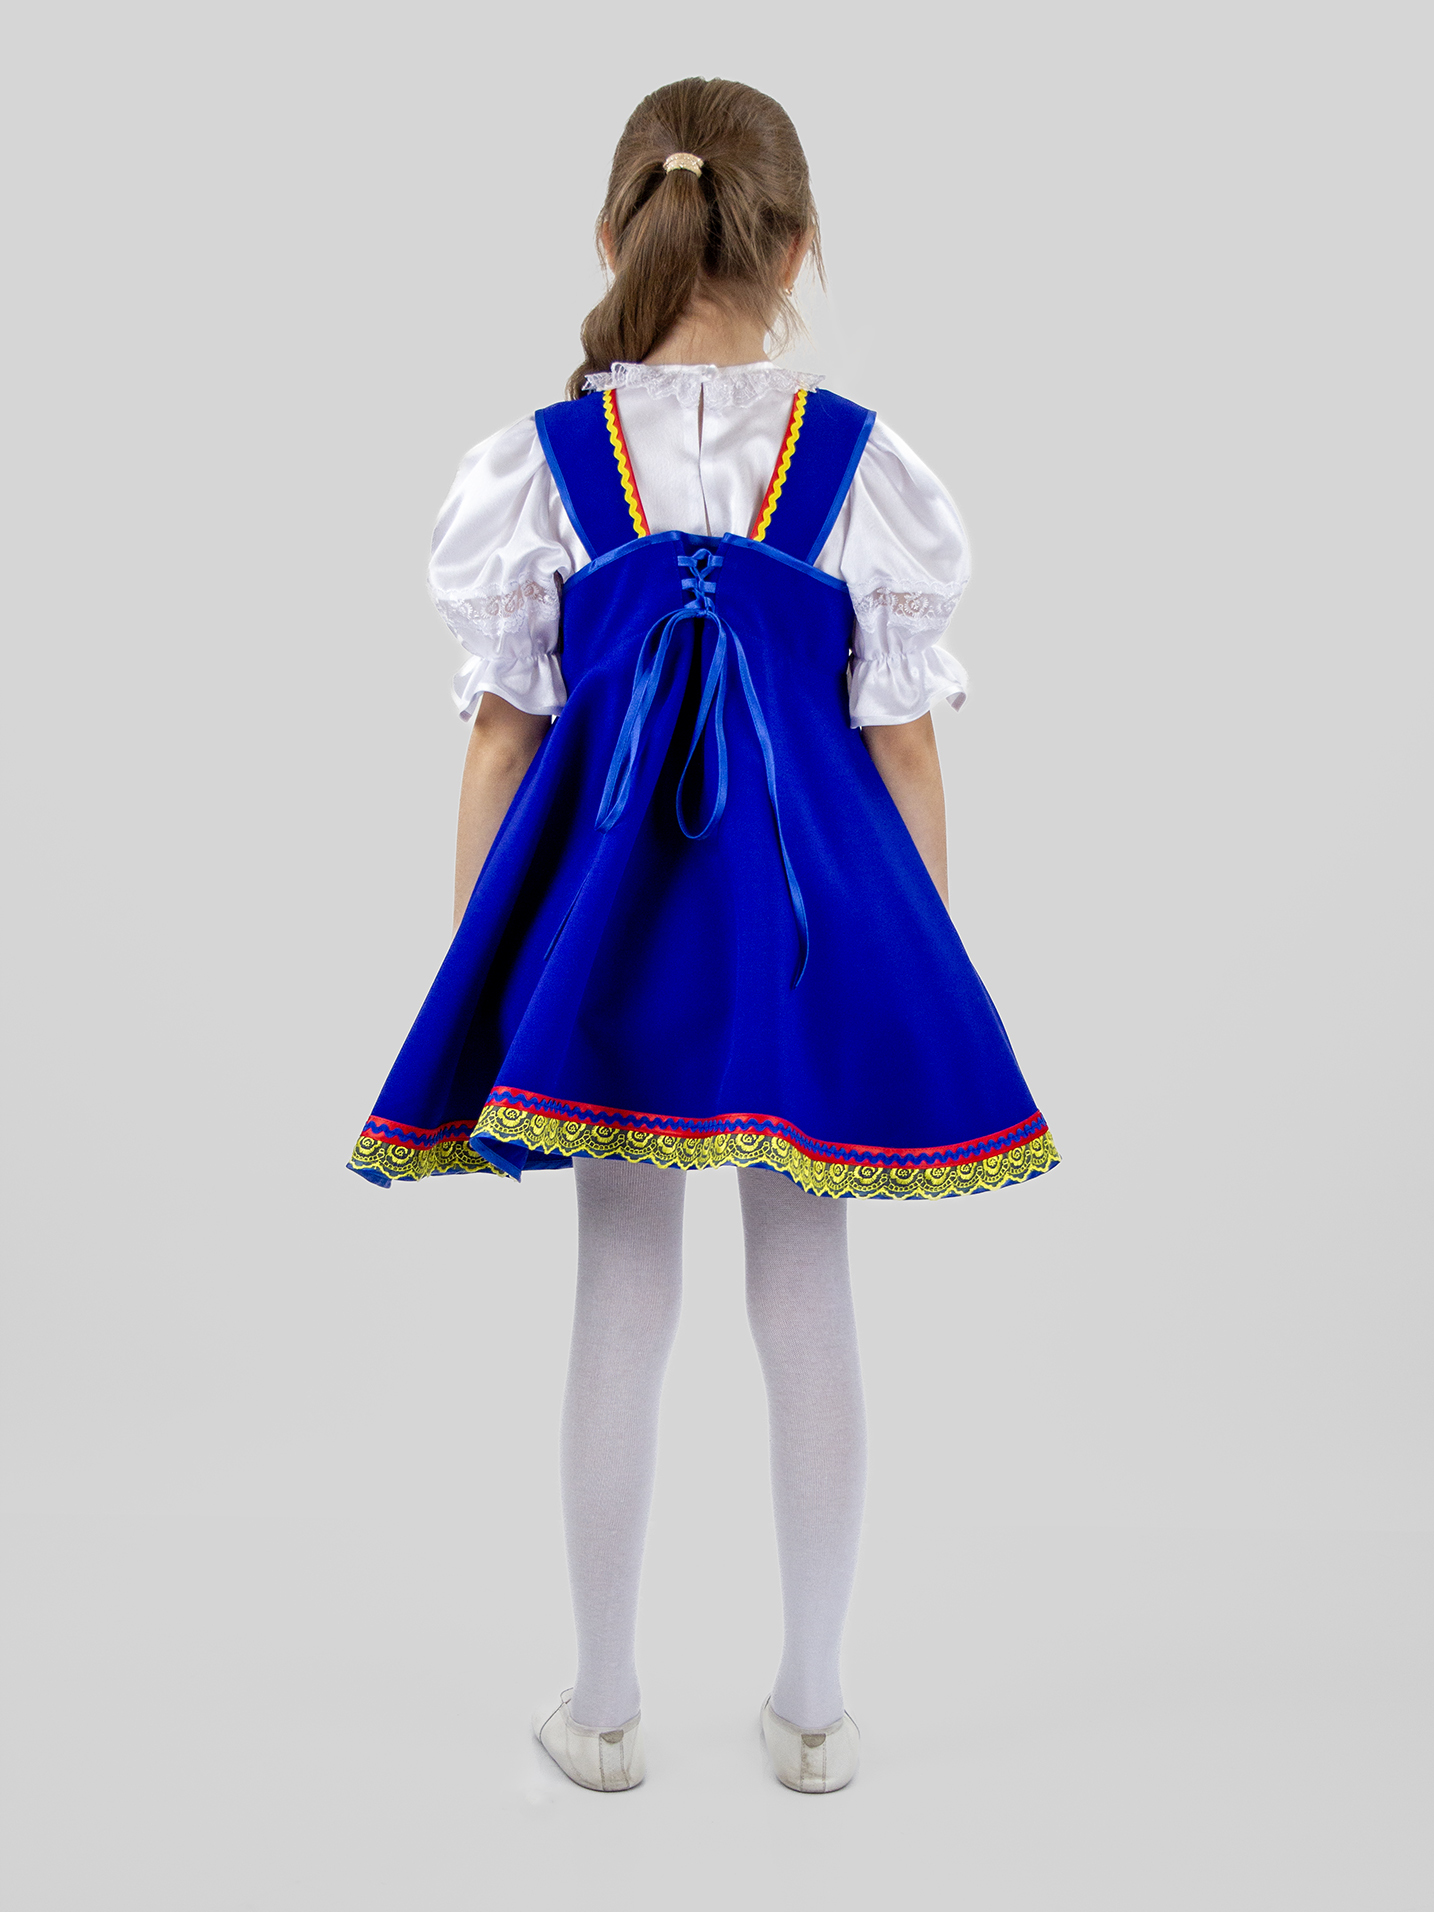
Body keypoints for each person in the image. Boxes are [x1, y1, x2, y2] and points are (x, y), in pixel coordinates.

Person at [349, 76, 1057, 1794]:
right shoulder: (861, 466)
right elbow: (903, 742)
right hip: (808, 944)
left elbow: (501, 737)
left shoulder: (538, 467)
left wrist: (493, 959)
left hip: (607, 949)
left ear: (613, 234)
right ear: (798, 247)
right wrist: (911, 963)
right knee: (805, 1287)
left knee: (621, 1289)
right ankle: (810, 1711)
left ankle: (599, 1709)